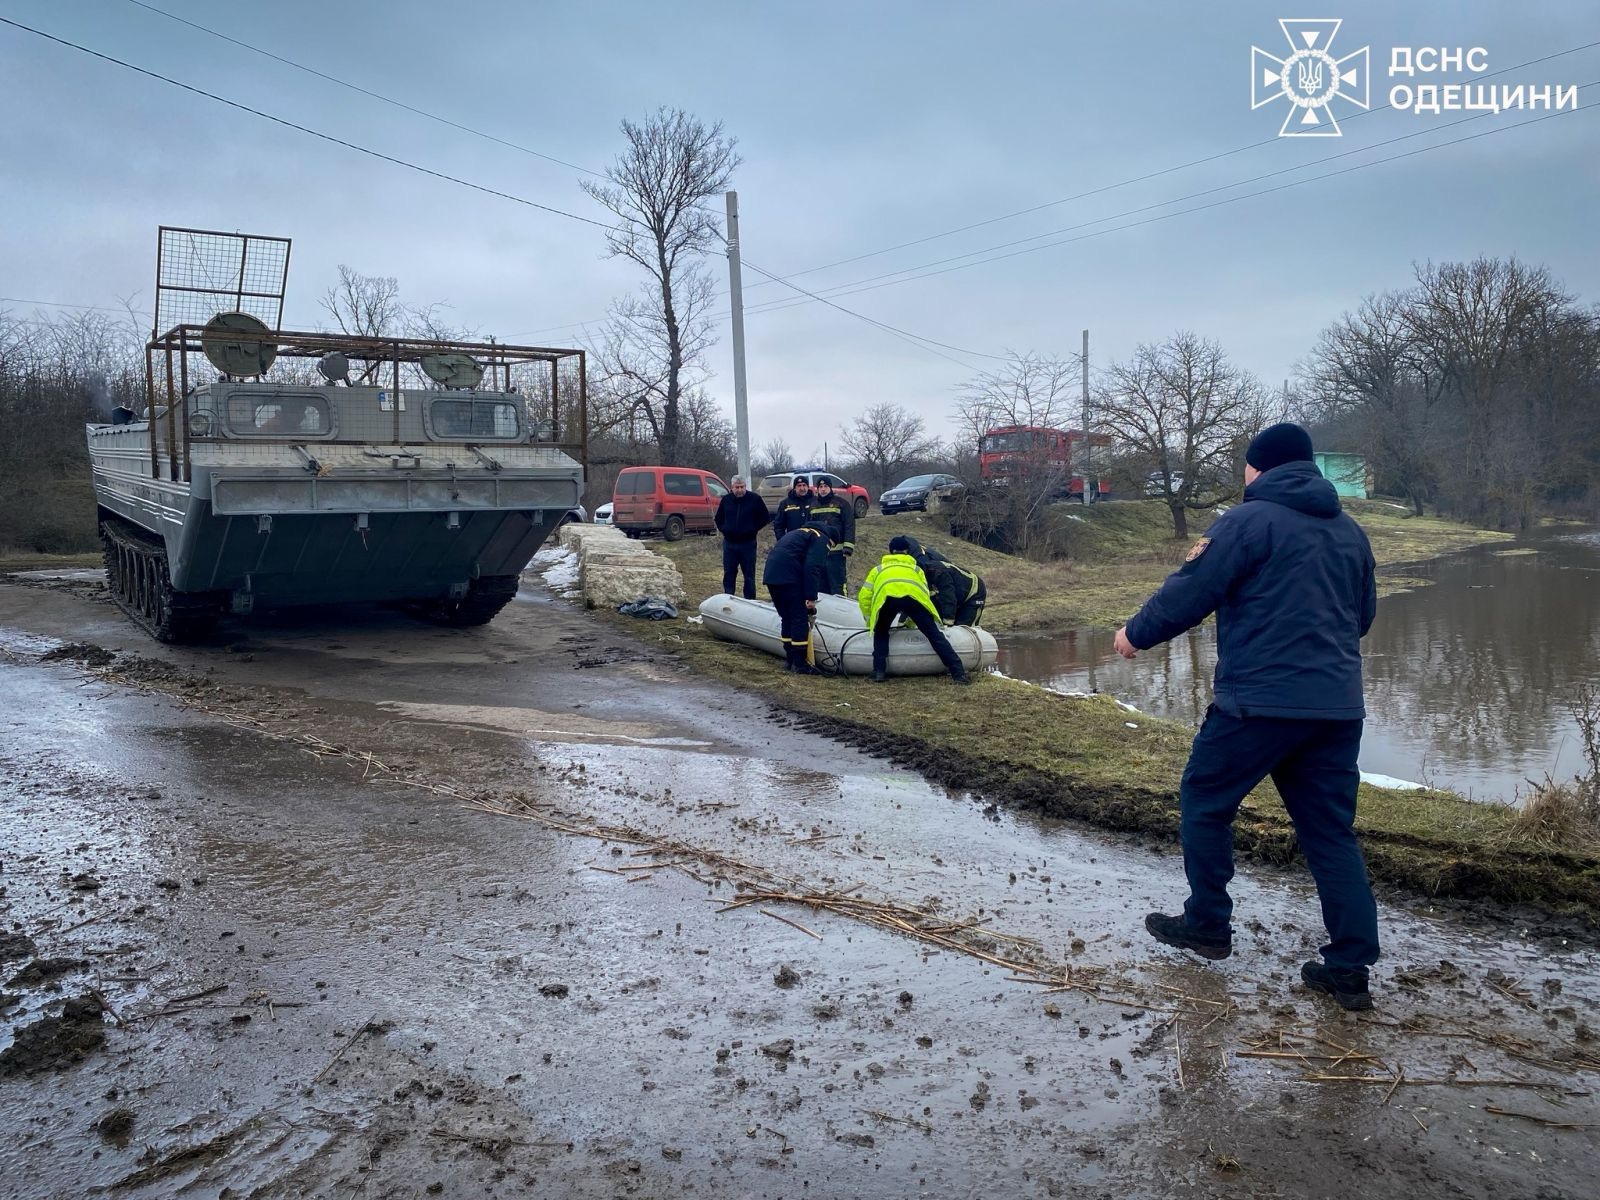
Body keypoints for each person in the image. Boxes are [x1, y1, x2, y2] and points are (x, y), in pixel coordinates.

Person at [1114, 422, 1380, 1011]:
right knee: (1330, 834)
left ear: (1259, 467)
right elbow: (1361, 619)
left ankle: (1207, 923)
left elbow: (1190, 590)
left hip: (1258, 704)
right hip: (1337, 709)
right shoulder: (1350, 532)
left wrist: (1135, 634)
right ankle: (1349, 968)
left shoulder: (1245, 522)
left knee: (1205, 801)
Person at [858, 535, 971, 685]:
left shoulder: (878, 569)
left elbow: (864, 597)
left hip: (888, 599)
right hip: (914, 599)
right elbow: (923, 595)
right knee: (934, 634)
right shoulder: (917, 569)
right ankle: (959, 673)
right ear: (907, 551)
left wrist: (870, 621)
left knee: (881, 631)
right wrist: (914, 621)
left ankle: (879, 672)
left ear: (891, 551)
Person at [763, 522, 831, 674]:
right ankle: (799, 663)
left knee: (787, 618)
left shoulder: (799, 532)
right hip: (789, 577)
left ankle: (790, 659)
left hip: (772, 576)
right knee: (799, 618)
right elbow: (812, 567)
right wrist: (811, 597)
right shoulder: (820, 537)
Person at [900, 536, 987, 626]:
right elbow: (912, 598)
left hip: (974, 592)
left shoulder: (938, 572)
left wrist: (948, 621)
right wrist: (902, 622)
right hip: (955, 593)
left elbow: (948, 596)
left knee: (964, 626)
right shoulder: (919, 572)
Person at [714, 475, 771, 599]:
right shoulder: (726, 500)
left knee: (749, 575)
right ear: (732, 487)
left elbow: (765, 517)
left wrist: (752, 529)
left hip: (748, 544)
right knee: (729, 574)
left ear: (745, 486)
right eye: (737, 487)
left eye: (742, 487)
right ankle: (728, 599)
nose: (740, 490)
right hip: (729, 544)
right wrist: (725, 530)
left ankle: (750, 601)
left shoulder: (755, 499)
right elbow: (718, 518)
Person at [806, 478, 856, 595]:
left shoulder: (842, 504)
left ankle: (841, 606)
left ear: (830, 488)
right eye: (820, 487)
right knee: (820, 586)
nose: (823, 489)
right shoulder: (812, 506)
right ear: (817, 489)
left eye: (826, 487)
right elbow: (808, 527)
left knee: (837, 585)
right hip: (819, 553)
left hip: (837, 554)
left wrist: (848, 546)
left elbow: (849, 525)